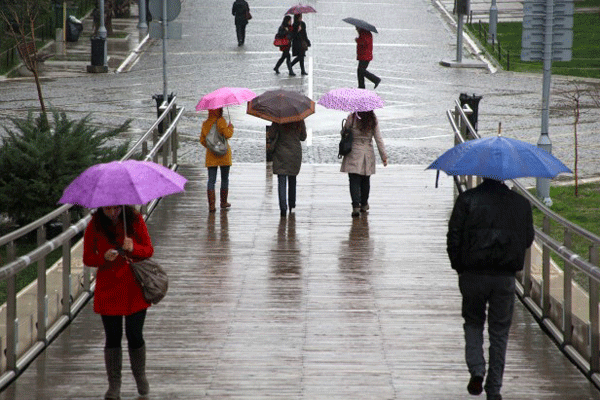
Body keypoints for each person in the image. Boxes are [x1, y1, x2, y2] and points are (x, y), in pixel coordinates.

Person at [447, 178, 534, 400]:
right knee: (499, 332)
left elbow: (453, 236)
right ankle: (493, 388)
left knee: (473, 323)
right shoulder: (521, 203)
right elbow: (527, 238)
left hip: (473, 274)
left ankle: (477, 369)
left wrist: (459, 266)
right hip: (504, 277)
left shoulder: (467, 200)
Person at [83, 205, 154, 400]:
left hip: (134, 287)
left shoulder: (134, 220)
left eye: (115, 208)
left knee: (135, 334)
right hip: (109, 288)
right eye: (107, 209)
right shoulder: (94, 225)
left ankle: (140, 376)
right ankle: (114, 385)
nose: (112, 212)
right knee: (112, 337)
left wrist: (134, 248)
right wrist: (102, 257)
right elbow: (88, 257)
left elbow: (148, 250)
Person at [340, 110, 388, 217]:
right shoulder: (373, 118)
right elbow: (378, 138)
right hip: (367, 153)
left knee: (354, 180)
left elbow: (345, 132)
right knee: (365, 179)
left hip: (354, 152)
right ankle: (364, 204)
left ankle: (355, 206)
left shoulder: (352, 117)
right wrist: (384, 157)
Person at [267, 120, 307, 216]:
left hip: (281, 152)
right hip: (294, 152)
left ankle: (283, 208)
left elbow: (271, 134)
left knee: (282, 180)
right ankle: (292, 204)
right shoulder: (299, 120)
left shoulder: (278, 119)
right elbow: (303, 137)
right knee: (292, 178)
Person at [200, 108, 234, 212]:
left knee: (211, 180)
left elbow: (202, 140)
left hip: (211, 156)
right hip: (224, 155)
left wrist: (212, 147)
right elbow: (228, 135)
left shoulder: (205, 124)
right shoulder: (221, 121)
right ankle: (223, 202)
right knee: (224, 179)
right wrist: (231, 127)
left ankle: (211, 206)